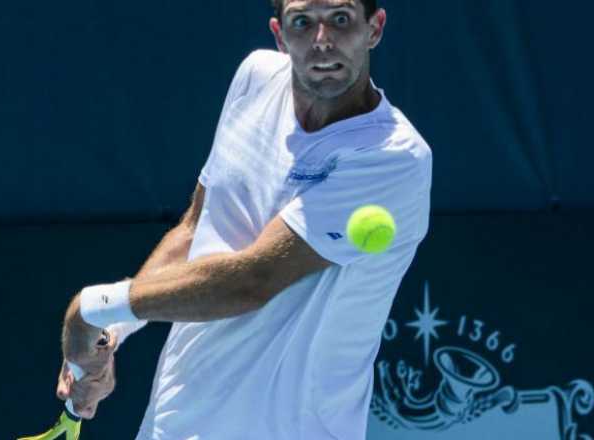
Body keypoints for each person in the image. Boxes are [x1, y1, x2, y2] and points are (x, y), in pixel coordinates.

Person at [55, 0, 433, 438]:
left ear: (375, 28)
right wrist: (111, 333)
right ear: (279, 34)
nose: (322, 40)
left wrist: (95, 308)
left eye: (341, 19)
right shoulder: (256, 77)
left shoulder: (393, 157)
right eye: (302, 22)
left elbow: (253, 280)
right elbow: (195, 229)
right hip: (176, 418)